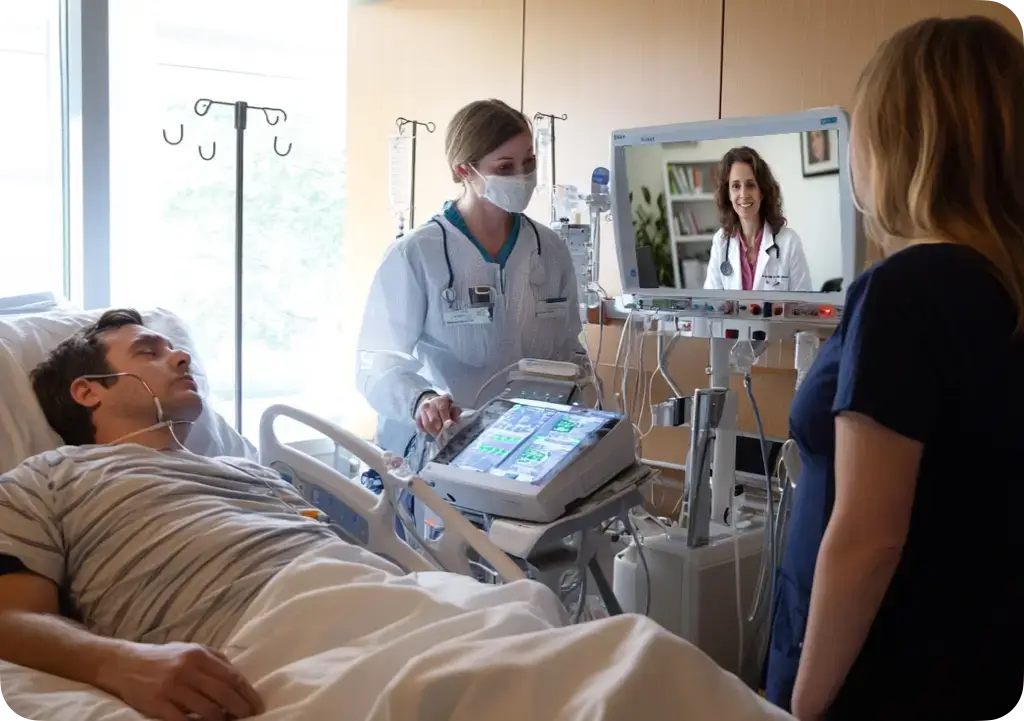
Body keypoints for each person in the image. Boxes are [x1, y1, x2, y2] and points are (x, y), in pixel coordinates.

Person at [765, 15, 1024, 721]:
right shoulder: (1005, 287)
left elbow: (868, 535)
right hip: (979, 657)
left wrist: (803, 702)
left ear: (900, 143)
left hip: (883, 667)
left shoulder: (906, 289)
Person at [0, 309, 349, 720]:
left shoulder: (252, 472)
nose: (182, 358)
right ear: (89, 391)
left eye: (176, 349)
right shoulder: (48, 478)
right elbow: (11, 617)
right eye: (148, 352)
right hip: (273, 640)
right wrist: (118, 661)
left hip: (383, 597)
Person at [355, 99, 587, 519]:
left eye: (529, 162)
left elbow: (571, 351)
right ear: (465, 170)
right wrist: (421, 399)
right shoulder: (418, 254)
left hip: (529, 454)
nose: (522, 176)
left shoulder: (548, 250)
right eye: (505, 167)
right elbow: (376, 362)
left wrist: (585, 412)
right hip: (441, 451)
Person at [703, 147, 812, 292]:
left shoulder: (789, 242)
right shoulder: (721, 241)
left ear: (762, 192)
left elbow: (804, 306)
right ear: (728, 194)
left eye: (750, 185)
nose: (743, 194)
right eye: (736, 186)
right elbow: (711, 304)